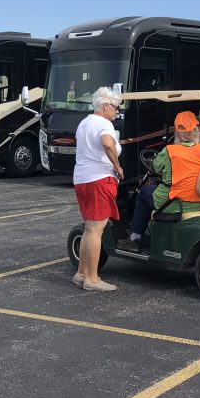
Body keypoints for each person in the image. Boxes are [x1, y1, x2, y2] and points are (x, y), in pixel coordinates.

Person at [119, 111, 200, 252]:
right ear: (196, 131)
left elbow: (156, 167)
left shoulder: (169, 151)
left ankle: (135, 238)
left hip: (172, 204)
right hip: (199, 202)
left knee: (143, 191)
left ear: (178, 133)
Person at [72, 86, 124, 292]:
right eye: (115, 107)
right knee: (96, 230)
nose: (116, 112)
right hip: (99, 179)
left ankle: (82, 272)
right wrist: (117, 166)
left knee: (89, 228)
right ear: (104, 106)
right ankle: (92, 278)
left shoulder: (84, 123)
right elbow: (107, 144)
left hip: (82, 178)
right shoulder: (104, 124)